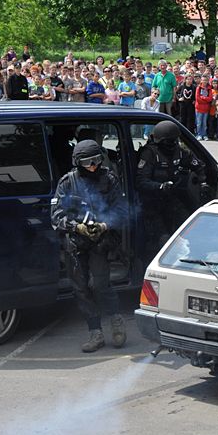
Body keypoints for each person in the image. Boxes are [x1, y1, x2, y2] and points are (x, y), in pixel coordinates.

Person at [51, 140, 128, 353]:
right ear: (77, 162)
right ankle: (95, 332)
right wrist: (77, 227)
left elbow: (121, 211)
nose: (93, 166)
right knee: (81, 289)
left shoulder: (109, 179)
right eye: (87, 162)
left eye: (96, 161)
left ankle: (116, 320)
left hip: (100, 242)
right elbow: (56, 216)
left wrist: (105, 225)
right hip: (76, 243)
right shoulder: (67, 182)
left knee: (102, 285)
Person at [136, 120, 209, 262]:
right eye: (168, 142)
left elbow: (198, 166)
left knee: (190, 227)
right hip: (152, 203)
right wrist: (159, 186)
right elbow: (140, 181)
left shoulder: (180, 152)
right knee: (160, 238)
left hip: (172, 199)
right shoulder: (150, 153)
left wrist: (203, 181)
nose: (171, 145)